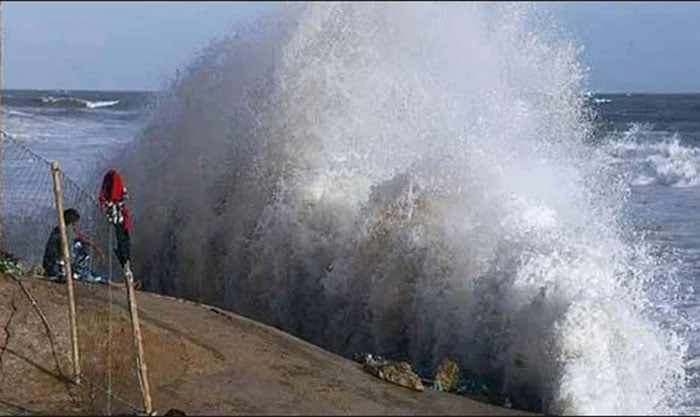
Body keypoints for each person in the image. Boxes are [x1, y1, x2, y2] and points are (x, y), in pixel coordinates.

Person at [42, 208, 106, 283]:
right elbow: (64, 253)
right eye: (75, 224)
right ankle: (77, 272)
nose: (76, 226)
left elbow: (81, 238)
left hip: (52, 265)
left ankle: (75, 272)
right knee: (80, 247)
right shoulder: (66, 232)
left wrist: (95, 247)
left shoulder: (61, 230)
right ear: (72, 223)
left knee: (81, 245)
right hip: (55, 267)